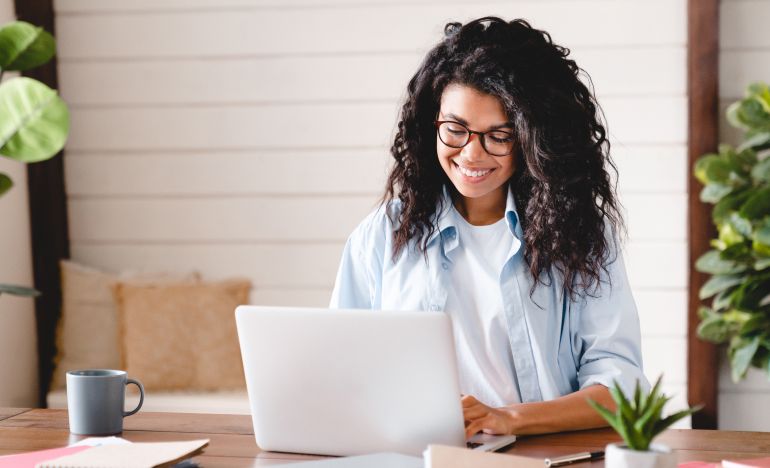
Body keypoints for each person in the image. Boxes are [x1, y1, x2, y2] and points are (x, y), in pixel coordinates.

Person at [329, 17, 648, 439]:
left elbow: (620, 387)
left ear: (535, 139)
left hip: (540, 455)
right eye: (455, 130)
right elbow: (338, 368)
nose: (472, 154)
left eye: (499, 135)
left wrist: (508, 419)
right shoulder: (384, 234)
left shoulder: (581, 235)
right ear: (432, 125)